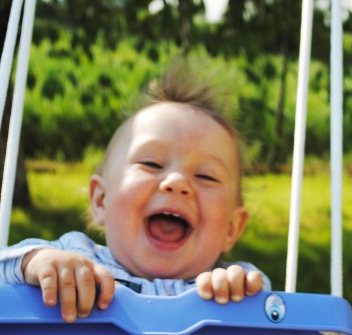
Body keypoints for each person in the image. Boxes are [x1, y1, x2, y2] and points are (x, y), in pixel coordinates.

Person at [0, 62, 270, 323]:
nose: (176, 182)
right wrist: (37, 263)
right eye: (151, 163)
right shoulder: (77, 258)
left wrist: (239, 301)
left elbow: (275, 317)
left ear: (233, 228)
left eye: (205, 176)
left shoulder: (234, 285)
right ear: (101, 200)